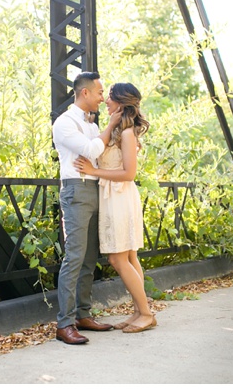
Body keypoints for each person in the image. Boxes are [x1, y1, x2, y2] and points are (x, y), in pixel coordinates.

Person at [74, 82, 156, 333]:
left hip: (120, 197)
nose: (106, 101)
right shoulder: (117, 130)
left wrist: (93, 171)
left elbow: (129, 173)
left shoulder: (128, 133)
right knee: (129, 257)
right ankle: (137, 311)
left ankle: (146, 313)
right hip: (112, 195)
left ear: (120, 102)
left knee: (117, 258)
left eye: (109, 97)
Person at [52, 71, 122, 345]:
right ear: (85, 93)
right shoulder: (64, 123)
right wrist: (109, 126)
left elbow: (98, 150)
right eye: (99, 92)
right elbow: (93, 150)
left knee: (90, 257)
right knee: (74, 256)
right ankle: (64, 323)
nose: (102, 97)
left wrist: (100, 134)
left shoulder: (91, 125)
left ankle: (82, 314)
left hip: (94, 188)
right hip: (75, 190)